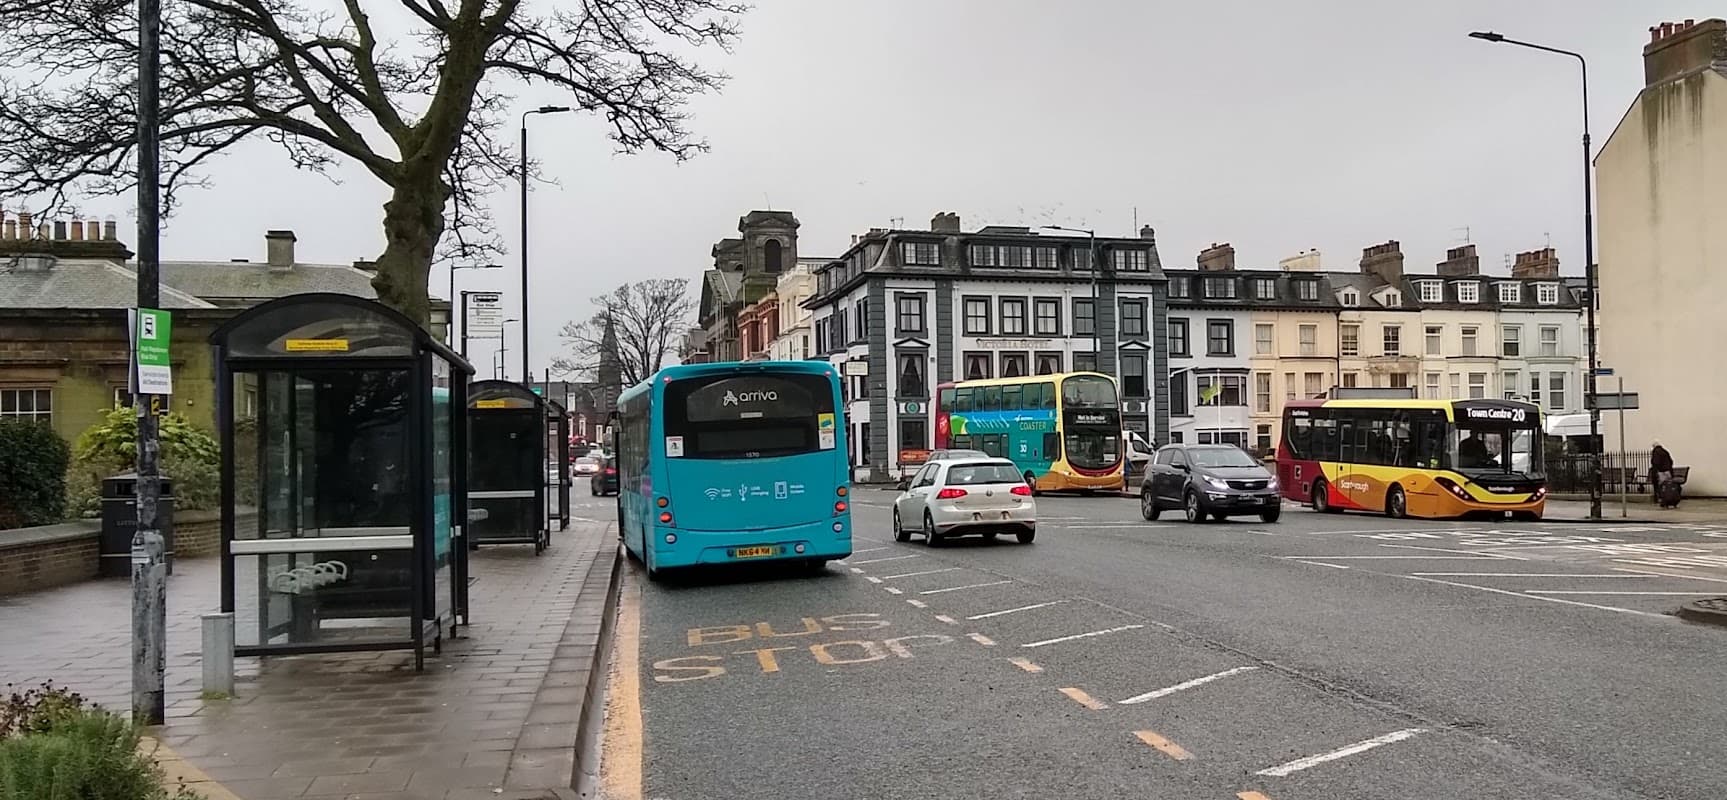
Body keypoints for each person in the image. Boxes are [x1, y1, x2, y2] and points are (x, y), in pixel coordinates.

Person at [1651, 440, 1675, 504]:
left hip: (1661, 472)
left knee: (1661, 486)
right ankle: (1669, 498)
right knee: (1668, 486)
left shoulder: (1656, 452)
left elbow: (1656, 462)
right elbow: (1671, 461)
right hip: (1668, 472)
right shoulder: (1665, 451)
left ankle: (1662, 499)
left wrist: (1656, 471)